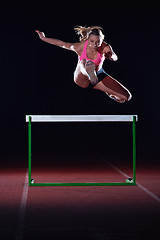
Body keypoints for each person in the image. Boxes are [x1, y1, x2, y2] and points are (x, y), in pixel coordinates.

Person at [35, 26, 132, 103]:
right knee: (84, 62)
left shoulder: (105, 47)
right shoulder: (80, 47)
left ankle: (99, 83)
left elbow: (115, 56)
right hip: (81, 78)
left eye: (98, 42)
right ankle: (90, 73)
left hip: (98, 75)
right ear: (87, 39)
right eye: (92, 41)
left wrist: (111, 56)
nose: (95, 44)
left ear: (102, 40)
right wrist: (44, 38)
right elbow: (62, 44)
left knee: (126, 97)